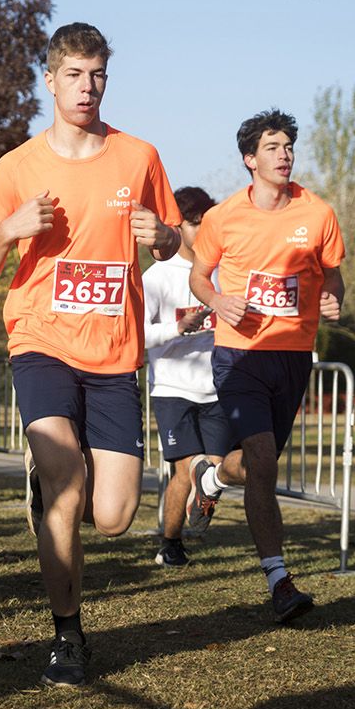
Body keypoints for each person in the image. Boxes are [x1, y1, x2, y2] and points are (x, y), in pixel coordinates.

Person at [0, 23, 182, 687]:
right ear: (50, 81)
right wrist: (8, 230)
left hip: (114, 354)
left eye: (97, 75)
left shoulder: (139, 156)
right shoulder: (17, 166)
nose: (87, 87)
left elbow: (172, 241)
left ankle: (55, 494)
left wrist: (164, 234)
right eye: (75, 75)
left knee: (112, 517)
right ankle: (68, 635)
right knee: (65, 483)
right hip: (42, 341)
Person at [185, 109, 345, 623]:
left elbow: (332, 275)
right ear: (250, 159)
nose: (284, 155)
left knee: (260, 463)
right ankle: (279, 580)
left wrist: (333, 298)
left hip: (293, 355)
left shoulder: (318, 213)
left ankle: (212, 478)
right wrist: (218, 301)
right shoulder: (223, 217)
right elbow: (199, 276)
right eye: (272, 147)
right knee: (262, 458)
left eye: (288, 146)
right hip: (239, 354)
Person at [141, 185, 229, 567]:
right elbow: (137, 334)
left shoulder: (221, 273)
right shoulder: (157, 276)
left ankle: (202, 500)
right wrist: (177, 328)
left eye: (207, 222)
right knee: (186, 469)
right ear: (176, 227)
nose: (202, 230)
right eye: (194, 223)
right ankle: (171, 543)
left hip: (215, 388)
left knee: (215, 472)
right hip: (172, 388)